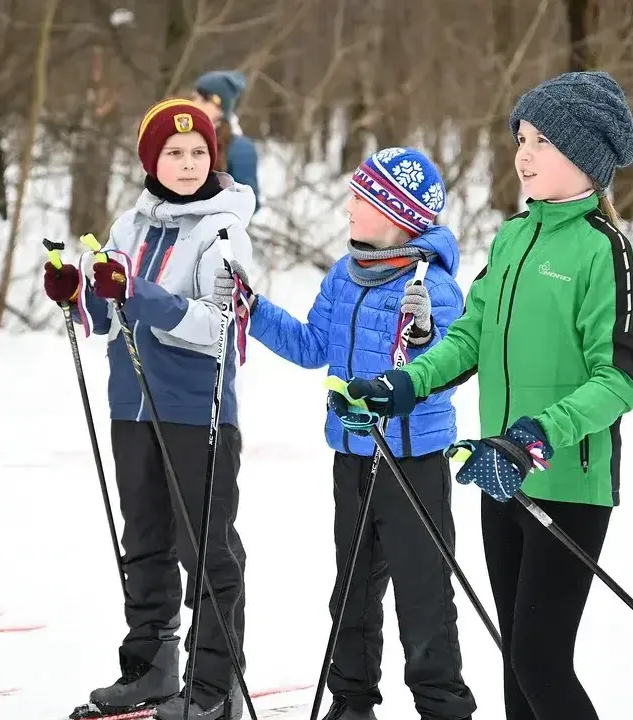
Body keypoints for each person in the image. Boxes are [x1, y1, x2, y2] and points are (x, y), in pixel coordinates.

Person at [335, 71, 633, 720]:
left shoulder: (603, 252)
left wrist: (535, 434)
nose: (524, 155)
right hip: (501, 476)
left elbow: (616, 380)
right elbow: (468, 338)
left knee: (540, 657)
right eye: (521, 139)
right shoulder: (510, 239)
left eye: (543, 142)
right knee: (515, 661)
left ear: (585, 155)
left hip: (566, 483)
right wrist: (404, 383)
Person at [222, 147, 476, 720]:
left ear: (397, 216)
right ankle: (352, 701)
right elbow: (315, 347)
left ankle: (443, 707)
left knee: (423, 595)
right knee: (353, 590)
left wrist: (422, 336)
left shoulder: (432, 288)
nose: (349, 207)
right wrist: (254, 310)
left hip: (413, 462)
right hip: (354, 458)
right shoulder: (345, 274)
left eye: (362, 199)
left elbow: (447, 371)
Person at [44, 98, 256, 720]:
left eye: (198, 153)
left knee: (206, 548)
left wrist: (142, 293)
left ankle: (215, 685)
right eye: (173, 152)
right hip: (131, 406)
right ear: (150, 160)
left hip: (197, 410)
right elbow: (108, 319)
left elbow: (225, 331)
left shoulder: (224, 230)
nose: (187, 163)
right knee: (145, 541)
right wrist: (77, 293)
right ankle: (150, 666)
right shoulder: (129, 226)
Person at [192, 71, 259, 211]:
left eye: (203, 100)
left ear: (221, 107)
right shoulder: (188, 138)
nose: (195, 104)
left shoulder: (240, 148)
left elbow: (249, 203)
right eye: (195, 98)